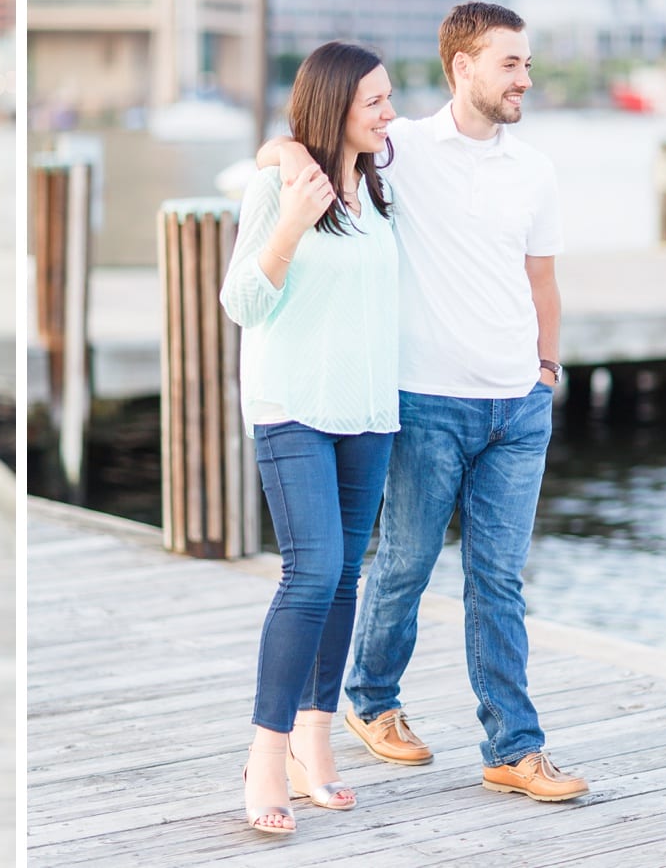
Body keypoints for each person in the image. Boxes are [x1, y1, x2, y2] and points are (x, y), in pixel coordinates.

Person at [259, 1, 587, 802]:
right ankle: (370, 699)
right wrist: (280, 157)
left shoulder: (534, 170)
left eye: (529, 63)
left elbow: (542, 279)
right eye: (510, 63)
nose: (525, 78)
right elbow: (298, 143)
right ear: (462, 66)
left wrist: (545, 369)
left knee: (499, 580)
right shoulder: (400, 149)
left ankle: (513, 746)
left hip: (518, 407)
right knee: (402, 565)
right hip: (427, 404)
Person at [219, 41, 399, 837]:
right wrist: (290, 220)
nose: (389, 113)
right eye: (375, 103)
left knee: (345, 578)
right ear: (335, 109)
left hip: (369, 413)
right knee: (313, 569)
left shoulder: (382, 189)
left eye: (390, 99)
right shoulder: (278, 185)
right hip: (292, 406)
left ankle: (315, 742)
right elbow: (241, 303)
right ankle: (266, 752)